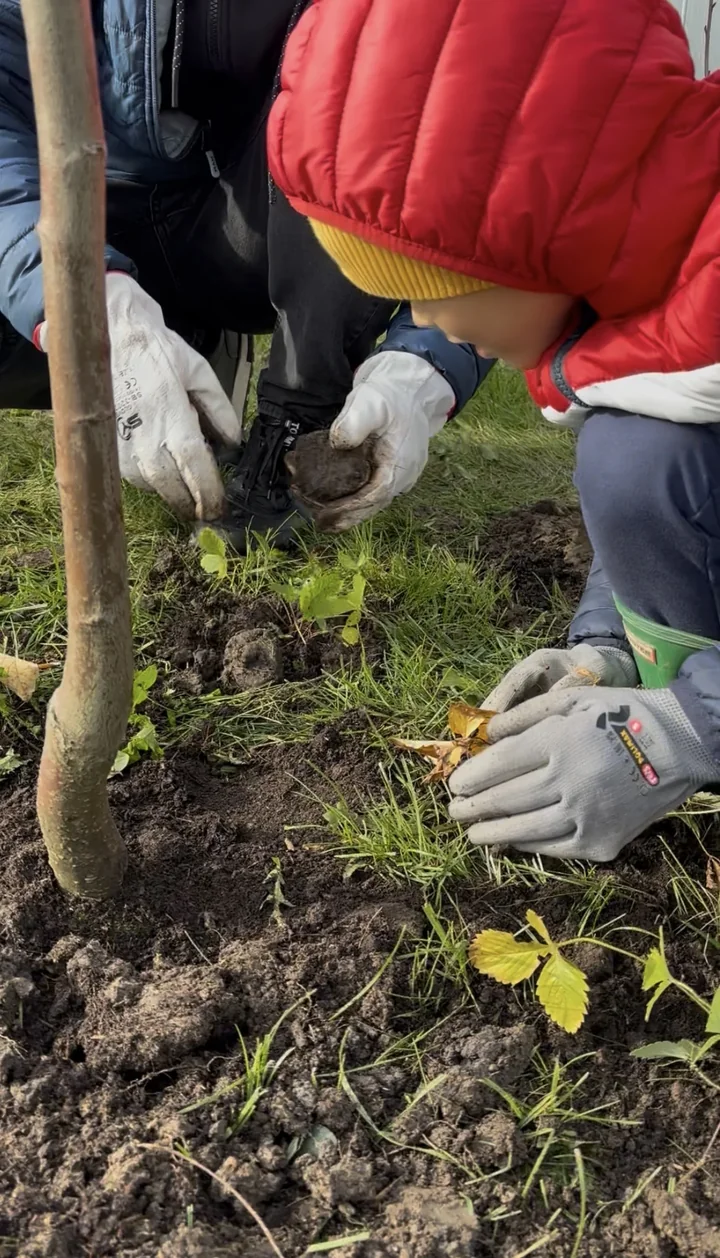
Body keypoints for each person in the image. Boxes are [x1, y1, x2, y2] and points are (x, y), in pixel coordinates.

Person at [265, 0, 720, 862]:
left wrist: (683, 729)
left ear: (538, 234)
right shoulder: (665, 279)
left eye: (430, 287)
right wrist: (608, 645)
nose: (426, 324)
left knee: (637, 458)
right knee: (636, 454)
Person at [0, 1, 489, 544]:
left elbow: (505, 165)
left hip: (264, 231)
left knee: (366, 53)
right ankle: (185, 352)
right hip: (91, 209)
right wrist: (88, 305)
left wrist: (424, 364)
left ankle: (293, 426)